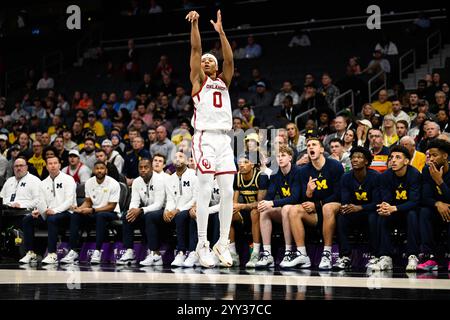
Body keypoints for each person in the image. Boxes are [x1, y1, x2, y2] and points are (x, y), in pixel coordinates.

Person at [186, 9, 236, 268]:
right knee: (204, 190)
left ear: (216, 67)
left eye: (210, 60)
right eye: (204, 60)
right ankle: (202, 243)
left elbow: (229, 61)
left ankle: (222, 242)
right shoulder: (198, 81)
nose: (206, 61)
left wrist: (221, 32)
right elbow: (196, 50)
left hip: (224, 140)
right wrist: (195, 25)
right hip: (204, 137)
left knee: (228, 191)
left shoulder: (224, 81)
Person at [286, 137, 344, 269]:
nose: (310, 147)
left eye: (314, 145)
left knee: (328, 208)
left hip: (334, 208)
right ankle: (302, 255)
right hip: (316, 212)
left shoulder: (335, 166)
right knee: (293, 210)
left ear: (322, 149)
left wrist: (317, 204)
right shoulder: (303, 171)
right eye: (308, 145)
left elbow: (339, 194)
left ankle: (327, 254)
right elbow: (301, 199)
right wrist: (308, 193)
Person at [370, 146, 421, 272]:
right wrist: (385, 206)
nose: (393, 160)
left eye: (398, 157)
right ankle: (385, 256)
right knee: (382, 214)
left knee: (412, 214)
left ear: (406, 161)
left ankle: (412, 255)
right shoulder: (385, 175)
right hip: (393, 211)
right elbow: (386, 198)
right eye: (391, 157)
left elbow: (415, 201)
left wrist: (395, 208)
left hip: (408, 210)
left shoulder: (414, 174)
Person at [60, 161, 121, 264]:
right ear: (93, 170)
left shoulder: (113, 183)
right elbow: (88, 201)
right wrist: (79, 209)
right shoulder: (89, 182)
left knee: (100, 216)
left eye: (102, 168)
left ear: (106, 170)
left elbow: (112, 206)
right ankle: (73, 251)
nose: (99, 170)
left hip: (111, 213)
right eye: (97, 168)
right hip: (94, 211)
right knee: (76, 216)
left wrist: (92, 210)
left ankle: (97, 251)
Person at [20, 156, 76, 264]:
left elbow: (69, 201)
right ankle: (30, 253)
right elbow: (41, 201)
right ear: (46, 166)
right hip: (50, 213)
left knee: (52, 219)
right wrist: (39, 211)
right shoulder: (43, 183)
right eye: (50, 163)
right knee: (27, 219)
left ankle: (52, 254)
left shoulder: (68, 179)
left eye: (55, 163)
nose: (53, 165)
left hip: (67, 213)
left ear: (59, 165)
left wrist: (55, 210)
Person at [334, 147, 380, 270]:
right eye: (353, 157)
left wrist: (360, 207)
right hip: (354, 211)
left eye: (359, 157)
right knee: (341, 217)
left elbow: (377, 202)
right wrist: (348, 207)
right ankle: (345, 256)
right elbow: (345, 200)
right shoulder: (346, 177)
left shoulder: (375, 177)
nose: (355, 160)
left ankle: (375, 255)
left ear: (366, 161)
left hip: (370, 211)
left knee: (373, 217)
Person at [256, 145, 301, 268]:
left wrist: (272, 203)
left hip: (300, 210)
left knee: (286, 208)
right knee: (265, 210)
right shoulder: (276, 174)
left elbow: (295, 198)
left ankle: (288, 252)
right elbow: (270, 194)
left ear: (290, 158)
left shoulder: (298, 171)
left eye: (283, 155)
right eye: (278, 156)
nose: (280, 158)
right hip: (285, 210)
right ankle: (267, 253)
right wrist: (264, 203)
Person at [116, 159, 165, 265]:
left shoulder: (160, 180)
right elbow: (134, 201)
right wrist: (132, 211)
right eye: (140, 168)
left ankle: (155, 254)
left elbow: (159, 204)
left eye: (146, 167)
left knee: (149, 216)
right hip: (145, 211)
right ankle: (129, 252)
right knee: (126, 216)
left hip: (161, 211)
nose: (143, 170)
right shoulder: (137, 182)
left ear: (151, 168)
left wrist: (141, 210)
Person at [417, 139, 450, 272]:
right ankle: (430, 257)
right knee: (424, 212)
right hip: (437, 208)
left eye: (435, 155)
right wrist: (438, 203)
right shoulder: (427, 170)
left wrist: (439, 181)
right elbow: (424, 197)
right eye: (429, 155)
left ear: (445, 156)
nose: (431, 159)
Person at [233, 153, 268, 268]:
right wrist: (236, 207)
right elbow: (234, 203)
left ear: (252, 164)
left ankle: (255, 252)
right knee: (228, 213)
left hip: (261, 211)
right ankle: (232, 254)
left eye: (245, 162)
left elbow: (260, 203)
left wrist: (242, 206)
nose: (241, 165)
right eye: (240, 163)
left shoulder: (261, 176)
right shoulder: (237, 177)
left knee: (255, 212)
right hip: (244, 212)